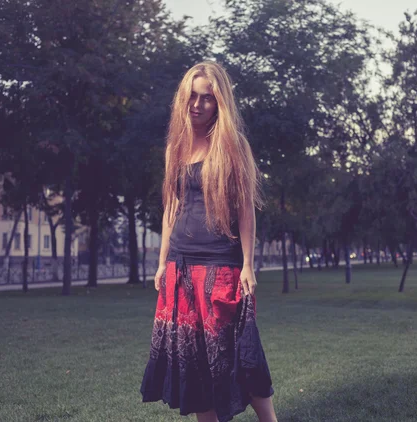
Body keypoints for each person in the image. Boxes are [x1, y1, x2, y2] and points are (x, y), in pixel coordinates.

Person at [140, 61, 278, 422]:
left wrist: (248, 263)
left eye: (207, 98)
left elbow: (246, 210)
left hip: (222, 266)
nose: (198, 105)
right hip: (181, 267)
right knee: (194, 366)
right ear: (182, 100)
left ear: (220, 102)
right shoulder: (176, 148)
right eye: (192, 97)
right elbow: (171, 206)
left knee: (241, 357)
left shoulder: (233, 147)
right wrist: (160, 261)